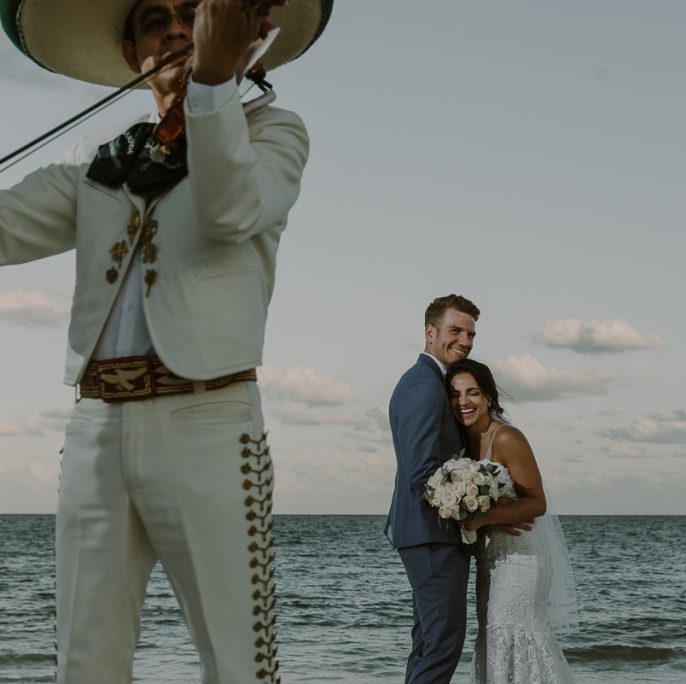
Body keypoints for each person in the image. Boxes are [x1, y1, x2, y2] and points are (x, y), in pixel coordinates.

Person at [0, 0, 330, 680]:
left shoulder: (274, 131)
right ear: (132, 55)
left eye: (193, 13)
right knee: (83, 663)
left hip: (208, 418)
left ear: (245, 39)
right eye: (156, 19)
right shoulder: (100, 155)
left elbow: (231, 209)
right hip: (93, 428)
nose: (176, 29)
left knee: (240, 663)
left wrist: (211, 84)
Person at [447, 358, 578, 684]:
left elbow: (537, 502)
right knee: (492, 637)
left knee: (512, 634)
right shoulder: (462, 443)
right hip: (490, 559)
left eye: (473, 393)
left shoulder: (506, 438)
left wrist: (483, 518)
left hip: (522, 558)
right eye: (455, 395)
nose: (463, 402)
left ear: (489, 397)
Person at [385, 293, 482, 684]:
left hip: (430, 534)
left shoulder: (432, 382)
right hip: (431, 533)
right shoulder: (422, 385)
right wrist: (480, 514)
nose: (465, 340)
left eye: (471, 333)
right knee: (442, 642)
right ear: (430, 332)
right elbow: (423, 471)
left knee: (429, 641)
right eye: (455, 330)